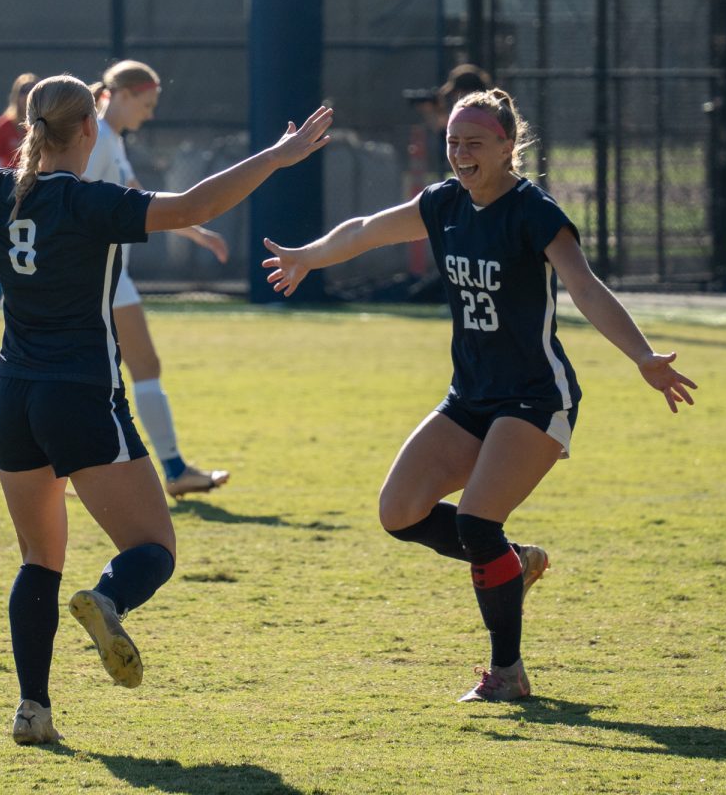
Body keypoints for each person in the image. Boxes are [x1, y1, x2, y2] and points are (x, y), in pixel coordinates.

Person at [0, 76, 332, 743]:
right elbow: (196, 202)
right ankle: (106, 599)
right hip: (78, 393)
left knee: (39, 559)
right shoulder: (87, 203)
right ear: (87, 130)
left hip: (10, 394)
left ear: (29, 129)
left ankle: (32, 710)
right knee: (153, 547)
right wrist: (276, 156)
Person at [262, 87, 695, 703]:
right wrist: (308, 256)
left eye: (474, 143)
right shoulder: (443, 203)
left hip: (535, 397)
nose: (460, 153)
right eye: (453, 142)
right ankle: (515, 563)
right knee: (400, 511)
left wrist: (644, 357)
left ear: (507, 146)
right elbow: (364, 229)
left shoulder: (533, 211)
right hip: (471, 395)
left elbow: (587, 288)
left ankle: (507, 674)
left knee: (475, 520)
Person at [84, 60, 232, 498]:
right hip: (94, 278)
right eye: (145, 104)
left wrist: (197, 231)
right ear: (123, 95)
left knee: (140, 367)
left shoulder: (110, 139)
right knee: (102, 376)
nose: (149, 113)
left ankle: (171, 469)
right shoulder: (96, 138)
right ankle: (155, 469)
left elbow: (142, 201)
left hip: (112, 276)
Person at [0, 73, 38, 168]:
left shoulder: (44, 123)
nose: (27, 95)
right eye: (24, 91)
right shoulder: (3, 124)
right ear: (16, 96)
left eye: (32, 91)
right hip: (9, 177)